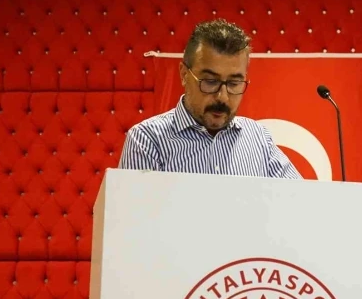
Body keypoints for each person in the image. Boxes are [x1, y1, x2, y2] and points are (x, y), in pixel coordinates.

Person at [118, 19, 302, 179]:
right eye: (210, 81)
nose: (222, 96)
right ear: (184, 74)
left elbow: (301, 199)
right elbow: (135, 208)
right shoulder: (148, 140)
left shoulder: (258, 137)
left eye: (234, 83)